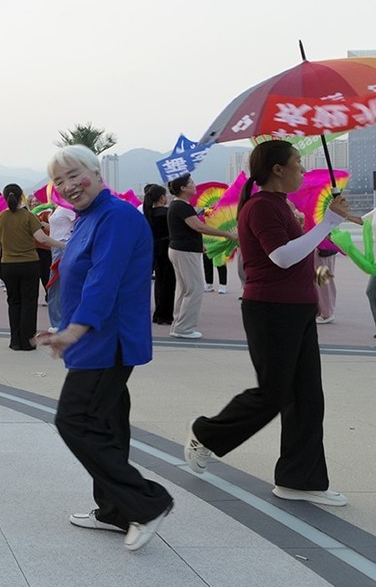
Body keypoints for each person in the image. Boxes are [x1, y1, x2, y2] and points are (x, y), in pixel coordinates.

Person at [185, 140, 351, 507]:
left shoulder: (278, 205)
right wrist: (328, 222)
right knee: (272, 394)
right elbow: (282, 257)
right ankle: (206, 434)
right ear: (278, 169)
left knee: (307, 397)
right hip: (271, 311)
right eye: (297, 163)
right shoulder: (260, 207)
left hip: (297, 310)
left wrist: (325, 226)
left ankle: (300, 480)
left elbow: (299, 252)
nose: (302, 170)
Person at [35, 146, 174, 552]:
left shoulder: (116, 216)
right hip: (93, 336)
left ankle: (147, 502)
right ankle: (114, 510)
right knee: (108, 423)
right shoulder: (87, 218)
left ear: (96, 172)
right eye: (58, 181)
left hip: (107, 339)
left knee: (74, 420)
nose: (67, 186)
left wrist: (73, 331)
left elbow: (103, 280)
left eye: (73, 175)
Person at [0, 184, 62, 351]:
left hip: (8, 265)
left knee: (13, 302)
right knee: (29, 302)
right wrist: (63, 245)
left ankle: (15, 341)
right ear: (21, 197)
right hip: (29, 264)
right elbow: (42, 239)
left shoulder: (1, 217)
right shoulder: (29, 217)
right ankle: (28, 342)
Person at [166, 174, 236, 339]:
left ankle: (178, 325)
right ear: (183, 188)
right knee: (195, 288)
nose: (194, 185)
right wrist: (227, 234)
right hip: (185, 251)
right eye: (191, 183)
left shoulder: (179, 206)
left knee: (184, 289)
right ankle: (185, 328)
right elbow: (199, 227)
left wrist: (200, 244)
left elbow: (189, 229)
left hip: (181, 249)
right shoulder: (181, 207)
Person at [142, 186, 175, 326]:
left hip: (155, 249)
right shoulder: (167, 213)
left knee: (160, 282)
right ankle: (165, 315)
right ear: (162, 197)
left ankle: (159, 313)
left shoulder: (148, 214)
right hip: (167, 248)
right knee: (169, 282)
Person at [46, 203, 76, 332]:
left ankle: (59, 324)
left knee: (56, 286)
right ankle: (59, 322)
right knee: (57, 287)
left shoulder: (68, 207)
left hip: (62, 246)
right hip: (56, 246)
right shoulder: (59, 207)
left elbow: (80, 222)